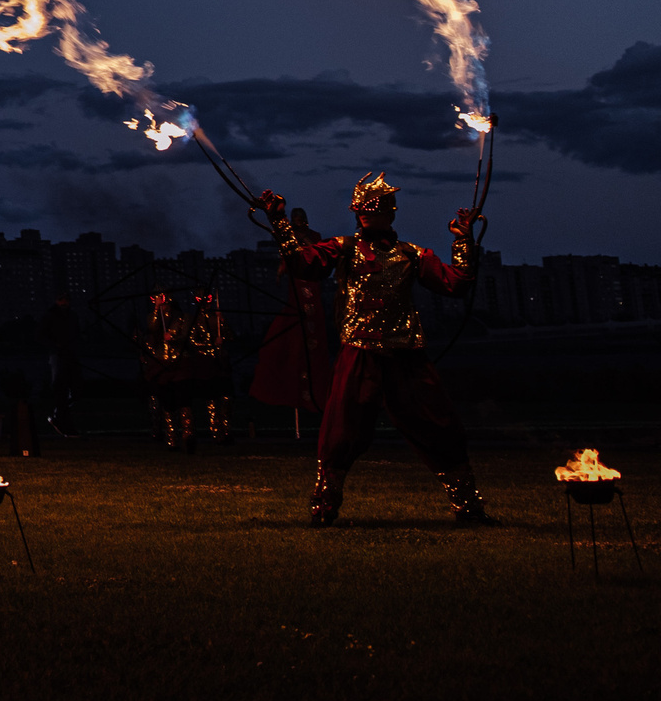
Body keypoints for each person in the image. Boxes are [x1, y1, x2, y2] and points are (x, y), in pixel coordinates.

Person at [259, 172, 484, 525]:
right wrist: (278, 220)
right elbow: (302, 264)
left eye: (373, 210)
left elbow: (456, 285)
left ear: (390, 214)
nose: (367, 215)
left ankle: (470, 507)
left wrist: (464, 240)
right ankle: (324, 507)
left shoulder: (413, 254)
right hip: (360, 352)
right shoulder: (342, 248)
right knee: (341, 430)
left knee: (440, 427)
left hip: (407, 355)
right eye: (362, 210)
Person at [249, 204, 335, 432]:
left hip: (311, 283)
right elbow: (287, 256)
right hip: (297, 285)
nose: (297, 220)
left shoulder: (313, 236)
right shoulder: (289, 237)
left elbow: (318, 254)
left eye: (300, 217)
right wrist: (281, 268)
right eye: (294, 217)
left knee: (313, 330)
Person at [139, 291, 198, 451]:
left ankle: (188, 436)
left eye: (164, 301)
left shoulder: (184, 317)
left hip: (180, 362)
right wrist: (157, 309)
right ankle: (171, 438)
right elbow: (152, 327)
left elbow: (186, 335)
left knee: (184, 399)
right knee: (167, 402)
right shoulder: (154, 317)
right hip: (162, 364)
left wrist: (173, 337)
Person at [187, 290, 235, 440]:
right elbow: (192, 341)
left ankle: (227, 430)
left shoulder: (217, 316)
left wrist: (223, 322)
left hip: (222, 360)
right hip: (206, 362)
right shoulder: (195, 319)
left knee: (226, 397)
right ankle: (216, 432)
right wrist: (210, 345)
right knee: (212, 398)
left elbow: (230, 336)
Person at [41, 294, 83, 436]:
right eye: (61, 299)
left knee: (72, 389)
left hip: (69, 355)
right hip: (59, 355)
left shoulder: (71, 316)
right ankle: (62, 420)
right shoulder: (51, 316)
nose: (64, 302)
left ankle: (61, 418)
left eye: (66, 299)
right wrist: (56, 346)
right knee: (62, 388)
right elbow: (42, 336)